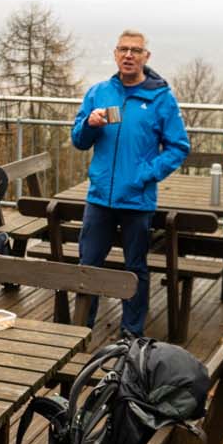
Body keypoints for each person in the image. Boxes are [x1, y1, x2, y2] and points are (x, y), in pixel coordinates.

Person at [70, 30, 191, 337]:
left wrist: (145, 174)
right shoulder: (99, 93)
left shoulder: (161, 98)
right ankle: (80, 331)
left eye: (135, 50)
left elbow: (178, 147)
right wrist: (89, 125)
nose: (128, 55)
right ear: (115, 54)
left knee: (135, 268)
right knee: (88, 266)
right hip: (99, 197)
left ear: (145, 57)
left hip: (137, 200)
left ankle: (132, 334)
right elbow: (79, 141)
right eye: (123, 49)